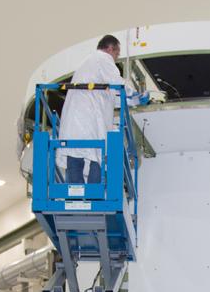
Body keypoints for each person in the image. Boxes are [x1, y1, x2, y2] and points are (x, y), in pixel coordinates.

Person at [57, 34, 148, 184]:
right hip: (88, 118)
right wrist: (136, 94)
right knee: (97, 156)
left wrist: (134, 100)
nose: (116, 58)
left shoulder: (89, 65)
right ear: (110, 48)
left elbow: (110, 96)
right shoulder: (102, 58)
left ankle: (75, 192)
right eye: (117, 54)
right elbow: (117, 83)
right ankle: (94, 193)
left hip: (77, 119)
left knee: (75, 156)